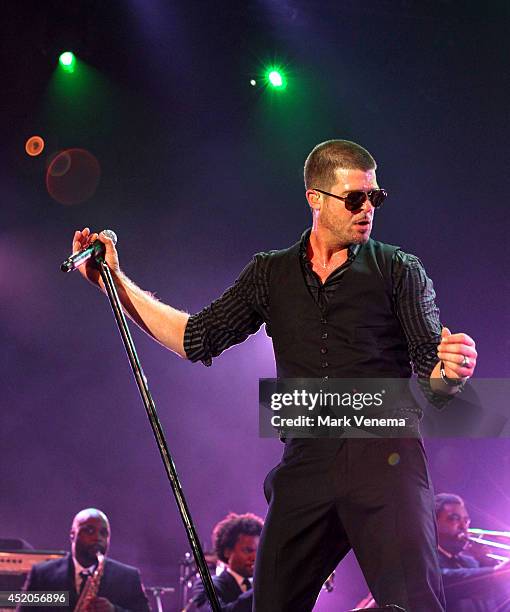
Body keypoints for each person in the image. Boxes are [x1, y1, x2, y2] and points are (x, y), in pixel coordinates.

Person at [73, 139, 478, 611]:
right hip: (307, 464)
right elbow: (194, 338)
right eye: (354, 199)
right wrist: (114, 283)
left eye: (375, 197)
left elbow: (436, 378)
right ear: (316, 198)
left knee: (415, 604)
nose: (367, 208)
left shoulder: (399, 270)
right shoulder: (270, 273)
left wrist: (452, 372)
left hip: (386, 461)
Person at [19, 508, 150, 612]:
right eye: (89, 530)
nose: (98, 538)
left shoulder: (127, 577)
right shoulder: (43, 575)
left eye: (103, 533)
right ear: (72, 534)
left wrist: (114, 610)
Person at [435, 493, 510, 611]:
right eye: (454, 519)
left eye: (466, 520)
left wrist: (487, 562)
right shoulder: (427, 561)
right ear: (433, 523)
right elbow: (445, 581)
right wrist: (496, 572)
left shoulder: (471, 563)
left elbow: (501, 600)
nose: (463, 526)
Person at [191, 512, 263, 611]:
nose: (255, 557)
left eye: (259, 551)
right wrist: (260, 589)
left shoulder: (262, 586)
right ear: (227, 552)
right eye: (248, 550)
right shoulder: (208, 585)